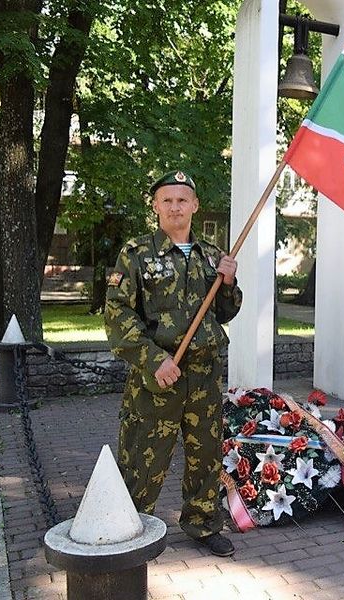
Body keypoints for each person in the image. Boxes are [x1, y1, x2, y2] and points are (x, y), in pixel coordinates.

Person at [105, 170, 242, 557]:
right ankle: (130, 526)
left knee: (206, 454)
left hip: (204, 375)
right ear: (155, 206)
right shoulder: (136, 254)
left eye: (183, 200)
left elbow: (225, 312)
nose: (175, 207)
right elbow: (117, 314)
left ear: (195, 206)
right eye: (167, 200)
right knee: (142, 454)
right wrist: (154, 360)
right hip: (158, 376)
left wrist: (230, 283)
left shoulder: (213, 256)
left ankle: (203, 523)